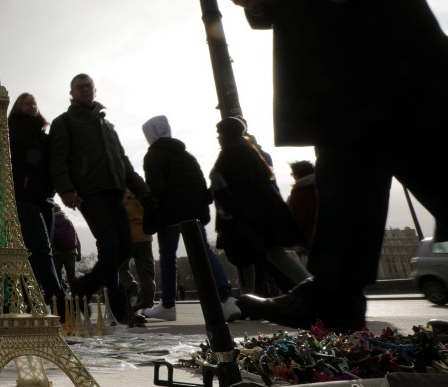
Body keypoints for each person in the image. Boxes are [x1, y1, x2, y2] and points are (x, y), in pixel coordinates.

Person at [218, 0, 448, 331]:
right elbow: (314, 4)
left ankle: (334, 297)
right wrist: (261, 7)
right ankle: (334, 301)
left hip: (398, 67)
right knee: (346, 191)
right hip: (347, 87)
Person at [48, 73, 154, 325]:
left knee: (124, 247)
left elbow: (123, 162)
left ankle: (81, 288)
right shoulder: (64, 122)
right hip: (89, 192)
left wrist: (143, 191)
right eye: (79, 87)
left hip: (114, 191)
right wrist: (66, 190)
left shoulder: (107, 125)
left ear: (95, 91)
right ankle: (119, 310)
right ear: (71, 93)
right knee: (110, 245)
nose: (84, 90)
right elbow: (57, 158)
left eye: (88, 86)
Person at [140, 115, 241, 323]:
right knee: (204, 251)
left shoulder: (153, 155)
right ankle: (227, 298)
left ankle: (168, 304)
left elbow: (156, 188)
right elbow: (200, 184)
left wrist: (149, 208)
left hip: (169, 213)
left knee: (168, 256)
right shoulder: (187, 155)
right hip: (193, 211)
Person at [209, 118, 310, 297]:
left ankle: (314, 291)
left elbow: (233, 187)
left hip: (254, 216)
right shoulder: (248, 151)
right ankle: (312, 290)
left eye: (220, 133)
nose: (218, 137)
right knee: (273, 255)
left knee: (254, 257)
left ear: (227, 135)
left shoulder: (232, 154)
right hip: (263, 213)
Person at [8, 92, 65, 316]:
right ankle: (59, 302)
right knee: (42, 249)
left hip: (45, 199)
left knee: (37, 252)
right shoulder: (11, 131)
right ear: (18, 107)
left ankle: (28, 301)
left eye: (34, 103)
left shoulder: (44, 135)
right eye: (27, 103)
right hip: (24, 198)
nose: (32, 106)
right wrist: (22, 181)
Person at [120, 190, 155, 318]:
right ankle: (145, 304)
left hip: (126, 236)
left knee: (120, 269)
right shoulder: (142, 190)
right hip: (145, 235)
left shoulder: (120, 192)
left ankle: (130, 287)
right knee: (147, 273)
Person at [286, 159, 318, 259]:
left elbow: (298, 217)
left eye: (292, 173)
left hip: (309, 237)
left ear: (297, 174)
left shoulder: (299, 191)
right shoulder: (322, 185)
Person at [51, 203, 81, 296]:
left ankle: (60, 299)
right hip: (71, 253)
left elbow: (50, 238)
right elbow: (76, 238)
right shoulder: (68, 220)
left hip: (57, 254)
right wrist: (79, 253)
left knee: (57, 278)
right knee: (72, 277)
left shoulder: (51, 221)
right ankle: (76, 297)